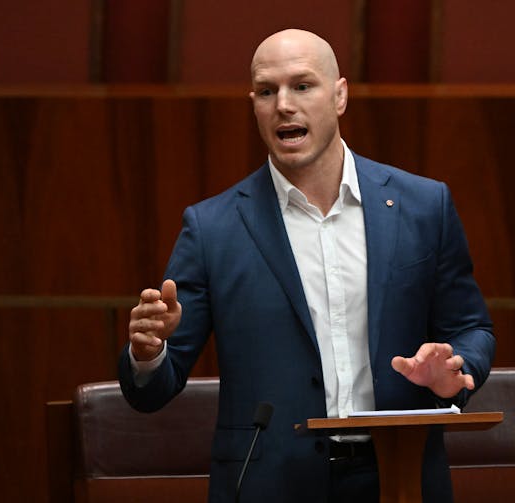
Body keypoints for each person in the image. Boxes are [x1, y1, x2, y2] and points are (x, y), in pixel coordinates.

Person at [118, 29, 495, 503]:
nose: (283, 105)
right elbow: (153, 390)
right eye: (266, 91)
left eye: (302, 85)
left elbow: (472, 327)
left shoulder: (423, 206)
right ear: (253, 104)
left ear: (339, 96)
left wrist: (455, 371)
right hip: (271, 484)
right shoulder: (213, 228)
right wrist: (148, 351)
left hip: (399, 478)